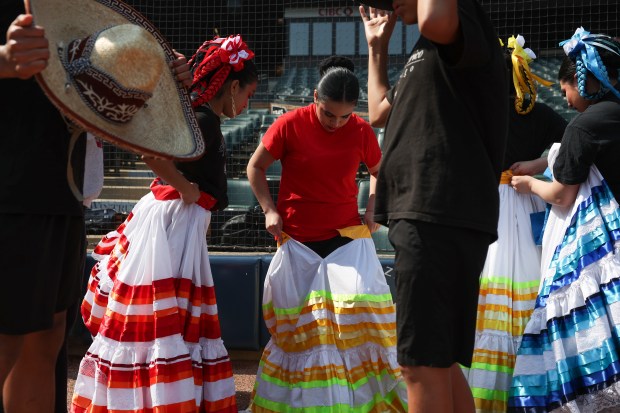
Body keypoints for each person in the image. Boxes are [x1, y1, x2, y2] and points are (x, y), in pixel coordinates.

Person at [69, 35, 257, 413]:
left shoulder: (201, 117)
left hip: (179, 221)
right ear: (233, 86)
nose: (248, 102)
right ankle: (157, 398)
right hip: (173, 223)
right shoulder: (201, 119)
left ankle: (164, 393)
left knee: (171, 316)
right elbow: (150, 154)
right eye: (249, 94)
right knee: (163, 316)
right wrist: (187, 189)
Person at [358, 1, 508, 412]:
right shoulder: (424, 50)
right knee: (439, 361)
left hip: (437, 210)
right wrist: (377, 49)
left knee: (420, 362)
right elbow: (377, 112)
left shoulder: (459, 21)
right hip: (435, 215)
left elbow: (433, 17)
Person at [246, 56, 408, 412]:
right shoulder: (289, 124)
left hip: (347, 238)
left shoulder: (362, 131)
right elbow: (255, 166)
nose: (337, 123)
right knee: (302, 328)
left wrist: (372, 209)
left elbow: (379, 171)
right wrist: (269, 209)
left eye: (345, 115)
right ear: (315, 97)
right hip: (298, 241)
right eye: (329, 114)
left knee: (360, 318)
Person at [508, 29, 620, 412]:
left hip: (601, 251)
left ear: (583, 80)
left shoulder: (583, 127)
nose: (568, 100)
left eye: (567, 89)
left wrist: (528, 184)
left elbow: (561, 193)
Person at [463, 35, 567, 413]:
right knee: (522, 290)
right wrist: (539, 166)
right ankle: (526, 387)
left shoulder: (478, 111)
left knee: (498, 292)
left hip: (498, 205)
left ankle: (493, 391)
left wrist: (536, 167)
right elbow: (569, 140)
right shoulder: (533, 113)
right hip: (521, 204)